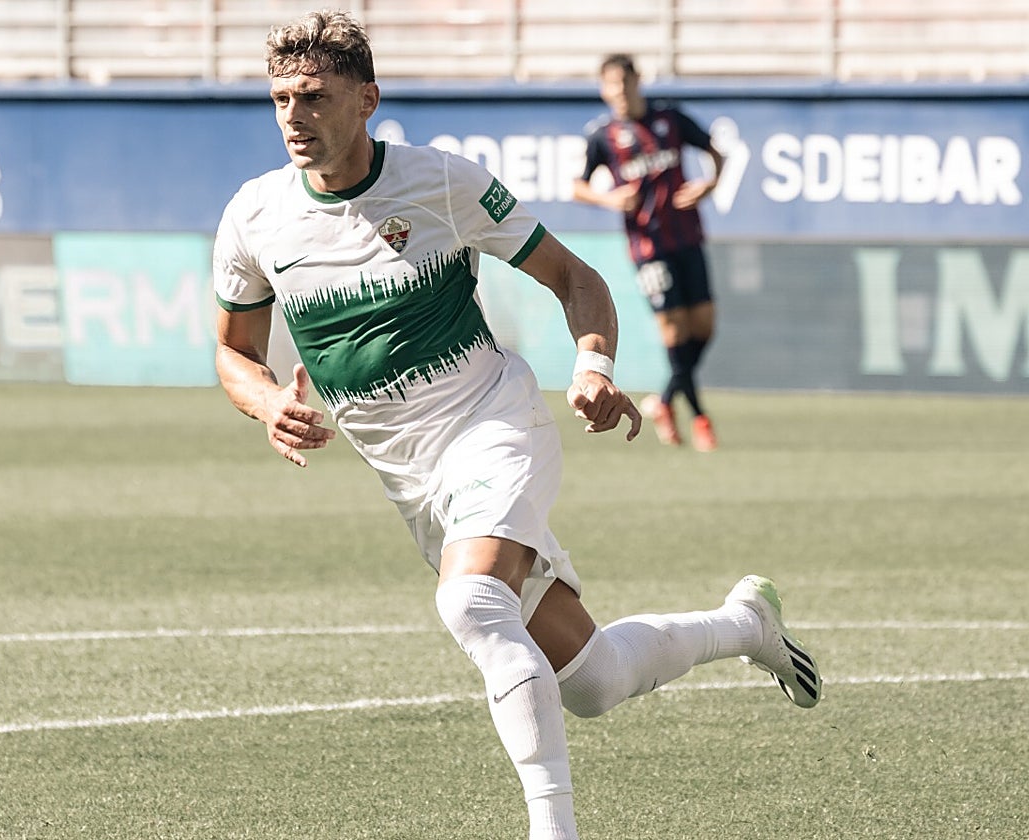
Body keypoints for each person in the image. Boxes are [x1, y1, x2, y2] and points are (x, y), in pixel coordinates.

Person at [213, 11, 821, 839]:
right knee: (596, 680)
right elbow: (234, 353)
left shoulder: (442, 182)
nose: (293, 115)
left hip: (490, 423)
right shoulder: (254, 215)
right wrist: (265, 403)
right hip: (413, 482)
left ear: (367, 99)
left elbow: (576, 278)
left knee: (469, 603)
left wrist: (595, 366)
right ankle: (748, 625)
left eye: (314, 96)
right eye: (281, 96)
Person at [572, 53, 725, 452]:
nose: (619, 92)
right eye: (610, 86)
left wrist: (710, 184)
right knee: (675, 331)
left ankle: (664, 402)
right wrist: (610, 200)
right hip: (648, 248)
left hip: (688, 237)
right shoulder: (603, 136)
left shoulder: (670, 120)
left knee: (704, 328)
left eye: (624, 83)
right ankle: (701, 419)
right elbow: (577, 186)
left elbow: (715, 151)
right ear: (604, 90)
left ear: (637, 81)